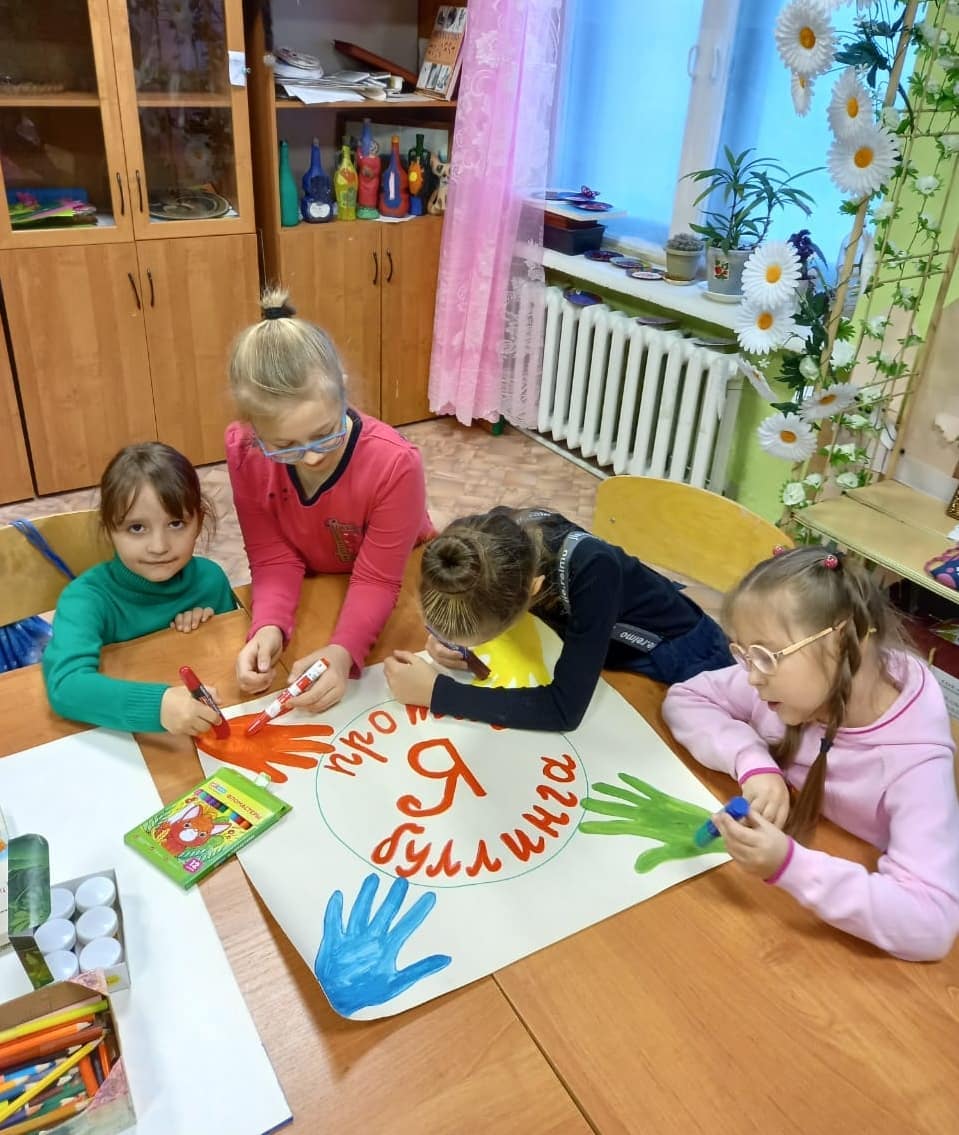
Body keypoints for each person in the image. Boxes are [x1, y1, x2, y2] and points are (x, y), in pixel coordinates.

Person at [662, 545, 959, 961]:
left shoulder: (916, 764)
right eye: (743, 655)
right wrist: (755, 765)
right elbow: (687, 698)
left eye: (765, 656)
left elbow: (930, 924)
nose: (752, 677)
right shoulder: (786, 684)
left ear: (842, 642)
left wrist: (790, 866)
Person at [227, 288, 433, 713]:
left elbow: (377, 580)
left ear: (342, 391)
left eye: (325, 434)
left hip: (395, 575)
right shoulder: (244, 450)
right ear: (253, 429)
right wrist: (268, 625)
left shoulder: (395, 465)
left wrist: (343, 652)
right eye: (284, 446)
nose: (311, 457)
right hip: (321, 579)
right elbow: (272, 555)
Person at [383, 506, 732, 731]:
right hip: (597, 639)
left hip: (684, 657)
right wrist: (449, 640)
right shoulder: (494, 543)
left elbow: (564, 710)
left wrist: (438, 693)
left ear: (533, 589)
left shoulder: (594, 570)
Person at [43, 443, 236, 735]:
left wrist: (205, 631)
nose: (159, 546)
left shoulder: (210, 580)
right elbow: (65, 686)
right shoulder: (85, 599)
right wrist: (158, 706)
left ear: (199, 521)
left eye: (176, 523)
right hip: (120, 740)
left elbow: (228, 660)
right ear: (109, 529)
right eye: (136, 528)